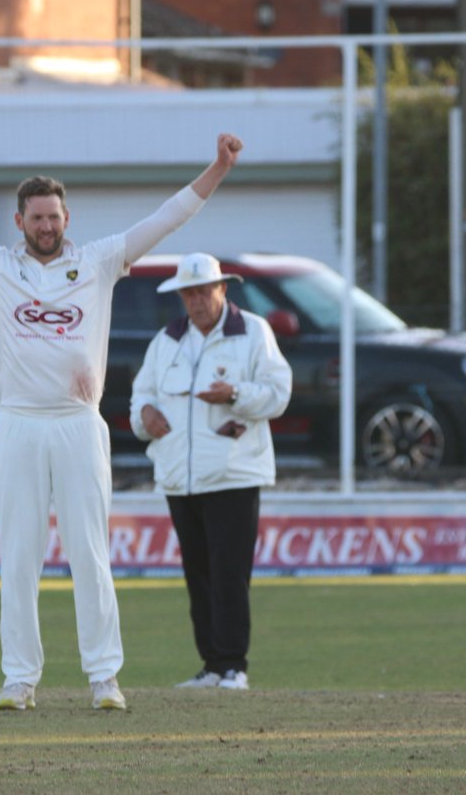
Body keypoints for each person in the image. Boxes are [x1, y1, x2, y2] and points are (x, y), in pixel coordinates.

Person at [0, 133, 244, 711]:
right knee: (21, 554)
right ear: (21, 221)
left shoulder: (99, 260)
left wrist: (220, 167)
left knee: (89, 552)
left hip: (79, 424)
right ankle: (19, 680)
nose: (47, 226)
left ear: (66, 217)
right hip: (19, 424)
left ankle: (104, 679)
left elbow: (167, 217)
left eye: (54, 216)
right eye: (37, 218)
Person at [129, 252, 291, 690]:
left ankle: (233, 665)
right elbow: (139, 397)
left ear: (223, 289)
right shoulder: (167, 340)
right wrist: (146, 417)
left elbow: (279, 394)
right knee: (197, 573)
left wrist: (235, 393)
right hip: (180, 477)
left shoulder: (253, 331)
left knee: (229, 571)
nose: (197, 301)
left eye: (204, 291)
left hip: (234, 472)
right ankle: (211, 665)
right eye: (189, 293)